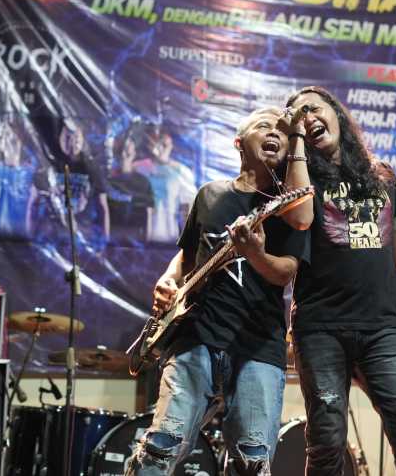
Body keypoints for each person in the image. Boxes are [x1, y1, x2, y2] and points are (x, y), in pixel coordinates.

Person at [127, 107, 310, 476]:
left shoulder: (289, 208)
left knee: (252, 461)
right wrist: (168, 280)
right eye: (264, 126)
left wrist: (255, 253)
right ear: (239, 143)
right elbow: (186, 257)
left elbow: (285, 273)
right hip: (195, 336)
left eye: (282, 131)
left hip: (258, 344)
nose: (275, 133)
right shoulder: (209, 194)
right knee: (160, 449)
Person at [282, 86, 396, 476]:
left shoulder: (382, 175)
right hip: (320, 328)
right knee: (327, 442)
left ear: (336, 113)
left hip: (381, 328)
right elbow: (299, 217)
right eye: (299, 118)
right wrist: (296, 142)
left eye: (314, 109)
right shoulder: (298, 178)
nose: (308, 119)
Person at [0, 119, 37, 240]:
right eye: (7, 136)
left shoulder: (33, 173)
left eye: (16, 137)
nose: (11, 140)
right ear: (0, 143)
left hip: (27, 244)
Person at [135, 129, 196, 244]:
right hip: (140, 239)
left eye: (164, 145)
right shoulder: (139, 168)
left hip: (170, 238)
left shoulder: (181, 172)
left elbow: (187, 208)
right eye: (157, 143)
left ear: (171, 146)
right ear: (150, 145)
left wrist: (187, 240)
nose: (160, 148)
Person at [107, 123, 155, 245]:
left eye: (128, 149)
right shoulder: (109, 181)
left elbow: (148, 213)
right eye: (122, 148)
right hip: (114, 237)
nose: (125, 153)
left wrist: (147, 241)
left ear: (134, 153)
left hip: (136, 238)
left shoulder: (143, 182)